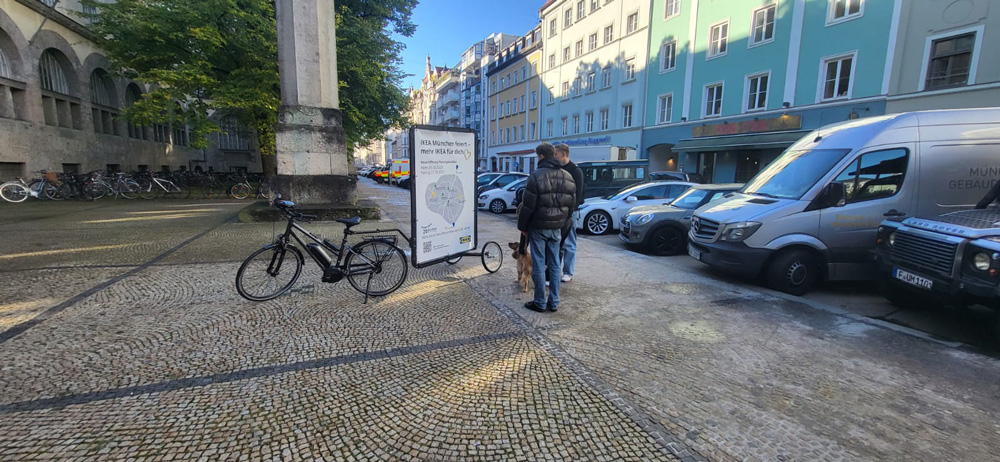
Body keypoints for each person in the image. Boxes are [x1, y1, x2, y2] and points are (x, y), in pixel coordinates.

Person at [517, 143, 576, 313]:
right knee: (555, 264)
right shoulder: (567, 176)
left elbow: (528, 206)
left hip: (538, 227)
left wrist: (523, 227)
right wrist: (562, 222)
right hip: (557, 227)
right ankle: (554, 302)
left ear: (541, 156)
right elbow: (571, 205)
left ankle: (540, 302)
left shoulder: (535, 176)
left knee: (539, 264)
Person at [554, 143, 584, 283]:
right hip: (559, 211)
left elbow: (578, 194)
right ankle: (556, 270)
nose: (555, 157)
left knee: (569, 243)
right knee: (558, 242)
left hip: (570, 212)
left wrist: (570, 212)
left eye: (556, 154)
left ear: (564, 154)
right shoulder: (558, 169)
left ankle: (568, 272)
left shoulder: (575, 170)